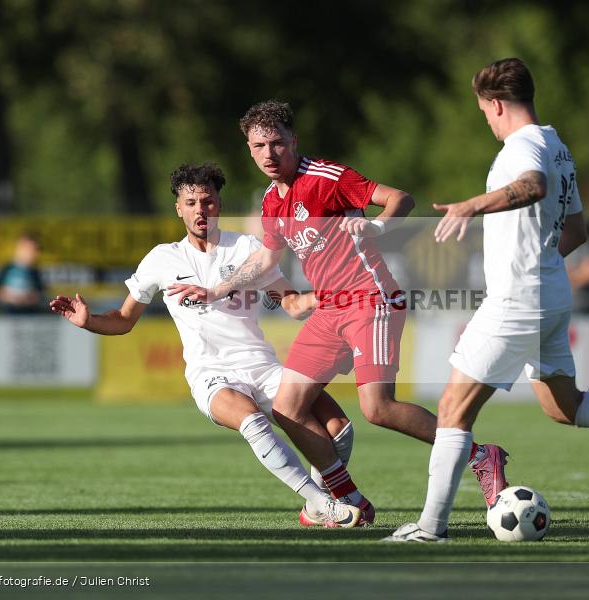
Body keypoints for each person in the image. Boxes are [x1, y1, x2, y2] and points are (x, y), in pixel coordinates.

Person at [386, 58, 589, 542]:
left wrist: (473, 205)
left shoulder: (525, 146)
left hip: (517, 298)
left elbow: (532, 188)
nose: (487, 122)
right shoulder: (557, 146)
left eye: (484, 113)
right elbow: (576, 230)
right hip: (549, 292)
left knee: (452, 408)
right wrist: (537, 262)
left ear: (495, 104)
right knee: (564, 405)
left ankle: (430, 529)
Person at [167, 102, 510, 524]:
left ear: (294, 142)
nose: (269, 154)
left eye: (277, 143)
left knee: (377, 408)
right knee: (287, 407)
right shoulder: (273, 203)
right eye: (259, 146)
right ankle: (350, 500)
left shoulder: (328, 177)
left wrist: (377, 226)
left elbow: (400, 199)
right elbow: (266, 262)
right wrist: (216, 290)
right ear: (250, 150)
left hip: (370, 299)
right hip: (330, 309)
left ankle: (480, 455)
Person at [50, 163, 361, 528]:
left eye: (208, 201)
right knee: (252, 420)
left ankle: (317, 507)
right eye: (192, 202)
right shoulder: (162, 259)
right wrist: (88, 322)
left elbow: (291, 303)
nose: (201, 210)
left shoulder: (248, 248)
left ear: (219, 204)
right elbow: (123, 319)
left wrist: (331, 295)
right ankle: (321, 502)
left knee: (339, 429)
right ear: (178, 208)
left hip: (261, 365)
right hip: (211, 373)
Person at [0, 233, 46, 313]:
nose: (35, 254)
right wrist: (15, 299)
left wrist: (27, 300)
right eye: (31, 249)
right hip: (8, 316)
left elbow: (40, 294)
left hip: (30, 316)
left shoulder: (35, 272)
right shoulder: (7, 269)